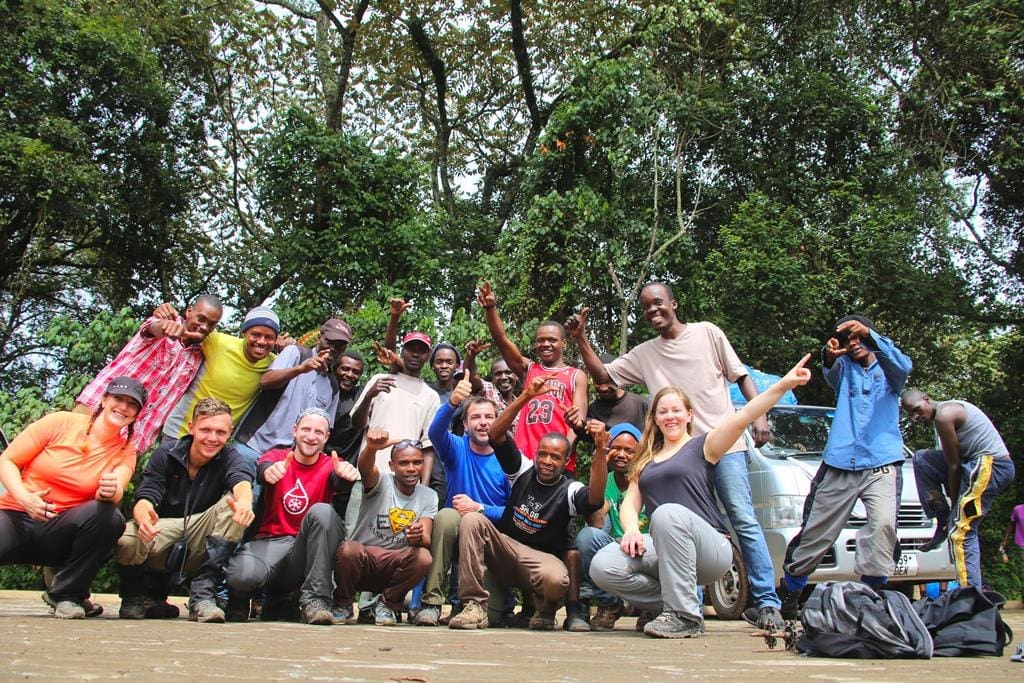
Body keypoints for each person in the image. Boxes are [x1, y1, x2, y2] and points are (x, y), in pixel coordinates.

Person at [566, 283, 782, 630]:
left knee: (742, 517)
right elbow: (604, 376)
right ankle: (685, 607)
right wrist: (581, 339)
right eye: (646, 307)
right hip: (679, 455)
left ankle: (767, 603)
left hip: (722, 446)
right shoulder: (645, 353)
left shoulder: (707, 333)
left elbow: (740, 375)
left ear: (674, 304)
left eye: (658, 303)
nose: (653, 310)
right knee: (679, 521)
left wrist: (760, 416)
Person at [590, 356, 812, 638]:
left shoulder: (703, 446)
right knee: (604, 565)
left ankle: (685, 616)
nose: (670, 416)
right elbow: (631, 504)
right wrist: (632, 530)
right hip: (666, 547)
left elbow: (744, 416)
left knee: (666, 513)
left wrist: (784, 385)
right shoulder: (646, 459)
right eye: (663, 412)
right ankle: (675, 603)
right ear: (655, 418)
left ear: (689, 415)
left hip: (710, 550)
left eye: (676, 410)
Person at [446, 374, 608, 631]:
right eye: (542, 454)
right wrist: (526, 396)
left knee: (557, 580)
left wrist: (600, 450)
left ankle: (545, 610)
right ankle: (474, 604)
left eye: (555, 457)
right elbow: (496, 434)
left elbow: (595, 499)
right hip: (507, 551)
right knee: (473, 520)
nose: (547, 462)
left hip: (538, 561)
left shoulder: (569, 490)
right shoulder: (522, 470)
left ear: (565, 462)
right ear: (535, 454)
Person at [779, 316, 912, 617]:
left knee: (883, 526)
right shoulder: (844, 369)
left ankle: (869, 598)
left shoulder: (890, 369)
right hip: (840, 462)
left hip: (882, 461)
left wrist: (870, 334)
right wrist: (829, 355)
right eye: (848, 340)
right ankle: (790, 594)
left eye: (859, 338)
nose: (854, 344)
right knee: (817, 532)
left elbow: (903, 368)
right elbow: (830, 368)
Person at [1, 377, 145, 618]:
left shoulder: (126, 450)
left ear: (136, 415)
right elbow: (7, 460)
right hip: (17, 515)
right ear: (104, 400)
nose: (123, 407)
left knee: (110, 517)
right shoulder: (60, 422)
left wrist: (110, 490)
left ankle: (66, 594)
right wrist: (25, 498)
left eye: (132, 404)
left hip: (60, 532)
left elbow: (118, 486)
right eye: (118, 399)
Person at [115, 397, 255, 622]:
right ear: (191, 428)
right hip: (161, 533)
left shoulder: (231, 457)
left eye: (220, 432)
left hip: (201, 537)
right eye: (205, 430)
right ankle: (133, 597)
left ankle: (202, 597)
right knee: (127, 538)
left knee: (233, 505)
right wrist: (143, 517)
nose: (212, 438)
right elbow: (147, 495)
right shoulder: (166, 453)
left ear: (230, 433)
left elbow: (241, 482)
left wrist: (245, 503)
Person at [224, 408, 358, 625]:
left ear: (326, 437)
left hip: (306, 551)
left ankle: (316, 601)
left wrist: (346, 477)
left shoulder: (331, 464)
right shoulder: (277, 457)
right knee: (241, 577)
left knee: (323, 512)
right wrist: (269, 472)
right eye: (306, 429)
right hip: (271, 542)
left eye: (318, 432)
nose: (311, 436)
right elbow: (264, 470)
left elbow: (338, 480)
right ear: (295, 430)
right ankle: (242, 599)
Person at [414, 375, 511, 626]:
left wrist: (481, 508)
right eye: (475, 417)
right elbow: (435, 432)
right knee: (446, 516)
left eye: (489, 417)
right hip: (455, 539)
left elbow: (514, 515)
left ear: (499, 421)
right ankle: (431, 603)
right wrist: (452, 404)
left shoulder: (511, 459)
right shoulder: (456, 448)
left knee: (496, 616)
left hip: (491, 546)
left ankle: (474, 603)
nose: (483, 422)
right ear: (465, 425)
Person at [75, 296, 223, 453]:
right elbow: (151, 328)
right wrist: (165, 327)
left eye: (211, 324)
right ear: (189, 311)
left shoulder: (198, 357)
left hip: (133, 437)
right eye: (201, 319)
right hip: (96, 411)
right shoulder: (163, 320)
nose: (204, 327)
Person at [901, 389, 1015, 588]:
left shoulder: (944, 415)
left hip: (991, 465)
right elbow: (949, 465)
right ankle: (942, 519)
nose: (916, 417)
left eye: (917, 409)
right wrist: (949, 514)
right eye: (911, 414)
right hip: (972, 466)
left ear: (926, 399)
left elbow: (954, 467)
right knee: (921, 459)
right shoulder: (940, 420)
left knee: (961, 531)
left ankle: (970, 596)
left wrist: (955, 507)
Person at [477, 281, 588, 475]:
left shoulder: (575, 375)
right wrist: (490, 308)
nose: (546, 344)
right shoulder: (528, 369)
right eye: (540, 340)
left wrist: (562, 455)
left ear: (564, 344)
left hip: (559, 461)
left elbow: (578, 421)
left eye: (552, 340)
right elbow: (502, 340)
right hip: (526, 459)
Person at [333, 431, 437, 625]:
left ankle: (387, 604)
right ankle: (343, 603)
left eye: (417, 462)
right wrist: (371, 448)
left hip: (394, 566)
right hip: (362, 563)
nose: (411, 468)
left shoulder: (428, 495)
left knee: (423, 556)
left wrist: (417, 536)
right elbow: (365, 469)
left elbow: (426, 537)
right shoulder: (381, 482)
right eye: (404, 463)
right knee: (349, 549)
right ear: (391, 466)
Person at [344, 332, 440, 536]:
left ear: (428, 355)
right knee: (352, 537)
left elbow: (428, 446)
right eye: (411, 349)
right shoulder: (380, 380)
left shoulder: (430, 396)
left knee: (395, 542)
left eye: (421, 350)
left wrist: (422, 487)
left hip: (404, 484)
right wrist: (370, 395)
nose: (415, 354)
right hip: (368, 474)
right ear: (402, 351)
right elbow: (357, 423)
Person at [233, 318, 353, 458]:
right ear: (320, 337)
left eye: (339, 346)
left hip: (285, 460)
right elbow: (265, 381)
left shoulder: (333, 386)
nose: (332, 349)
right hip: (252, 446)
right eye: (329, 342)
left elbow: (323, 428)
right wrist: (300, 369)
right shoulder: (296, 353)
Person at [160, 305, 281, 442]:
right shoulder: (218, 342)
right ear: (244, 333)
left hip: (216, 440)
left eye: (269, 337)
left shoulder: (274, 364)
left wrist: (289, 347)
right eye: (255, 335)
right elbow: (187, 330)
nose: (261, 342)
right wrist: (163, 316)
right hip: (181, 432)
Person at [575, 422, 646, 631]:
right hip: (617, 547)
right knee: (586, 536)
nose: (621, 455)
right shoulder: (607, 481)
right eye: (616, 448)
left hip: (646, 549)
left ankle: (651, 608)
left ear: (640, 453)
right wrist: (600, 466)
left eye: (629, 451)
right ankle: (609, 605)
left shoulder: (648, 479)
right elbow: (596, 522)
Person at [567, 354, 649, 443]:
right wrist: (577, 426)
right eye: (598, 382)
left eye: (608, 381)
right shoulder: (593, 411)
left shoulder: (642, 405)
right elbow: (586, 437)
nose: (603, 388)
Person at [325, 350, 367, 518]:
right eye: (345, 369)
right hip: (320, 465)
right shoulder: (322, 392)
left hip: (348, 471)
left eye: (356, 372)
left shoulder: (361, 395)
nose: (349, 375)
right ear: (335, 369)